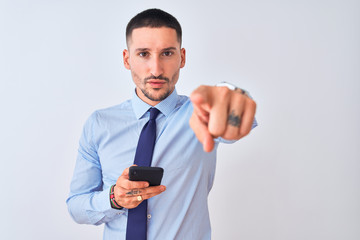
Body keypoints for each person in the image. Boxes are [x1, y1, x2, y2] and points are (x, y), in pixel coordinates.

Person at [67, 8, 257, 240]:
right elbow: (76, 206)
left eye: (167, 53)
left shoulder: (203, 114)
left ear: (182, 57)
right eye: (144, 54)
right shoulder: (100, 124)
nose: (156, 69)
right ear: (127, 59)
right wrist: (114, 198)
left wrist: (233, 98)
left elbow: (232, 120)